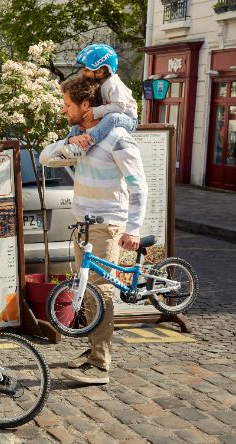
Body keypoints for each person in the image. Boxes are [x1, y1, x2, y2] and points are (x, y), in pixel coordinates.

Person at [41, 76, 148, 385]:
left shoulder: (117, 136)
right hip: (83, 226)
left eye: (67, 105)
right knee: (87, 290)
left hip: (105, 226)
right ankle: (92, 352)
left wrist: (134, 228)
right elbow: (46, 158)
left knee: (100, 291)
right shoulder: (82, 137)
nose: (63, 111)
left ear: (86, 105)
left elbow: (138, 187)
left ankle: (100, 364)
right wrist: (68, 142)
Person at [65, 44, 138, 155]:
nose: (83, 73)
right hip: (111, 114)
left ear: (100, 71)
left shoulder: (113, 84)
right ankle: (70, 143)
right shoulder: (100, 83)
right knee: (79, 119)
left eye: (86, 70)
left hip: (128, 119)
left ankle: (88, 142)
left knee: (112, 117)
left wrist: (96, 111)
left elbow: (120, 107)